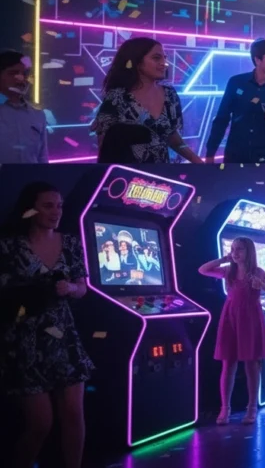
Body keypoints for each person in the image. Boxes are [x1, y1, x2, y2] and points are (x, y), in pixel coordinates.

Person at [1, 182, 93, 468]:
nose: (56, 212)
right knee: (40, 423)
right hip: (24, 336)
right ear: (31, 208)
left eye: (60, 205)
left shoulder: (71, 242)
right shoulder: (10, 245)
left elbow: (83, 287)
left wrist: (71, 290)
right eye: (48, 205)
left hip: (63, 334)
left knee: (73, 415)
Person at [198, 237, 265, 425]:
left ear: (249, 251)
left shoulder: (258, 272)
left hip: (251, 318)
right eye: (233, 249)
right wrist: (223, 259)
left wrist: (262, 285)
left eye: (239, 249)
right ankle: (225, 408)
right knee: (228, 363)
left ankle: (252, 408)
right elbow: (202, 269)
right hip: (231, 317)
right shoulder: (228, 271)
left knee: (251, 364)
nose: (235, 253)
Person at [92, 38, 202, 163]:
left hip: (163, 174)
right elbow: (104, 146)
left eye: (164, 58)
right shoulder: (117, 98)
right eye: (156, 58)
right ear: (137, 61)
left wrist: (196, 161)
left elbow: (172, 138)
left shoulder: (169, 94)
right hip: (130, 175)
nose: (164, 63)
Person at [205, 39, 265, 163]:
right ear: (257, 59)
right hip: (236, 153)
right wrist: (210, 153)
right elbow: (221, 119)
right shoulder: (236, 82)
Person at [0, 51, 47, 163]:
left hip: (31, 180)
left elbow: (42, 158)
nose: (21, 78)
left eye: (24, 74)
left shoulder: (38, 115)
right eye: (13, 73)